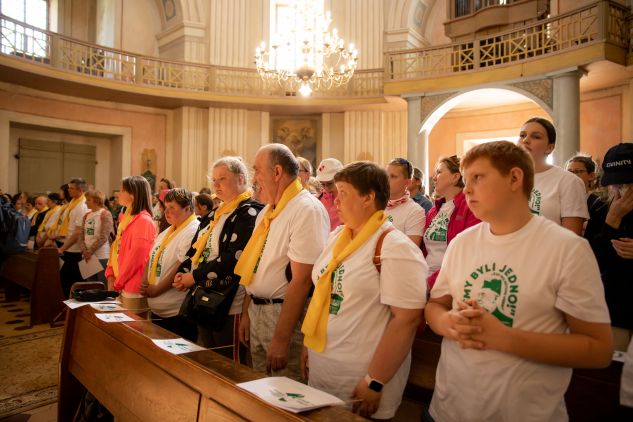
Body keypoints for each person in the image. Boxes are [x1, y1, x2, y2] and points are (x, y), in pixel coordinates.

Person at [425, 141, 612, 422]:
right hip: (448, 408)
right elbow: (435, 305)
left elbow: (598, 350)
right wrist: (447, 323)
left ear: (514, 178)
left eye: (478, 177)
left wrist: (503, 337)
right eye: (466, 179)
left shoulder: (566, 248)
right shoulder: (462, 243)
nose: (467, 189)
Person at [302, 161, 427, 419]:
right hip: (324, 368)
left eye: (343, 193)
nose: (335, 200)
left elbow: (407, 320)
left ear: (368, 197)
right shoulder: (338, 236)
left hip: (360, 377)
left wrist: (375, 380)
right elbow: (322, 293)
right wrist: (308, 346)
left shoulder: (394, 247)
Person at [236, 144, 329, 380]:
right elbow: (255, 266)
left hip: (282, 314)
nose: (254, 178)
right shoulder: (268, 211)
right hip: (258, 310)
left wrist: (281, 337)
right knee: (260, 386)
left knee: (282, 390)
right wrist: (247, 312)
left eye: (257, 170)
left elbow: (302, 280)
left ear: (277, 172)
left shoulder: (306, 209)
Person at [174, 157, 263, 356]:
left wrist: (194, 277)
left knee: (228, 362)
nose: (215, 184)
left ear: (240, 179)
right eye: (214, 179)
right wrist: (185, 271)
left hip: (228, 301)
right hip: (204, 297)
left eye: (222, 179)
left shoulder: (249, 212)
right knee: (210, 359)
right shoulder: (217, 213)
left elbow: (233, 258)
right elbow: (196, 249)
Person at [584, 143, 633, 351]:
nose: (622, 190)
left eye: (628, 182)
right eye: (616, 184)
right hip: (615, 306)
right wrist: (612, 220)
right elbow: (590, 261)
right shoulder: (600, 207)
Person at [142, 188, 199, 342]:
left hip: (176, 312)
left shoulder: (193, 229)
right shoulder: (168, 231)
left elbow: (180, 267)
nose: (166, 212)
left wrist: (156, 290)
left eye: (172, 208)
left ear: (187, 208)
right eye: (165, 207)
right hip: (158, 309)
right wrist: (144, 282)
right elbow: (151, 256)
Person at [518, 117, 588, 235]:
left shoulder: (568, 181)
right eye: (522, 135)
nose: (525, 140)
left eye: (536, 137)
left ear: (549, 147)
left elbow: (571, 238)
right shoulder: (506, 178)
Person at [423, 155, 480, 289]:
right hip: (425, 276)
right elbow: (425, 250)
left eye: (439, 172)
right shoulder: (433, 211)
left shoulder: (470, 207)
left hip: (451, 280)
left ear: (455, 177)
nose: (434, 177)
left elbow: (469, 253)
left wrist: (432, 282)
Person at [105, 176, 156, 313]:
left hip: (132, 286)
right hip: (120, 282)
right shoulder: (127, 218)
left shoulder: (143, 221)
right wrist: (110, 275)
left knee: (133, 330)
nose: (118, 194)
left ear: (133, 195)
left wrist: (118, 282)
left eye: (122, 190)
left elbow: (136, 258)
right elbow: (115, 249)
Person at [58, 178, 89, 297]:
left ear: (80, 190)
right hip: (69, 247)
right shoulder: (73, 202)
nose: (68, 190)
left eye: (71, 188)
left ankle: (73, 311)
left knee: (73, 283)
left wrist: (62, 248)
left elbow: (77, 232)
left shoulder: (82, 205)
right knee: (67, 281)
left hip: (76, 249)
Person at [385, 158, 425, 247]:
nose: (387, 180)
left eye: (393, 176)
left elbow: (410, 249)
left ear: (407, 182)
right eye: (386, 176)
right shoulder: (376, 205)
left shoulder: (415, 211)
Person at [567, 154, 608, 237]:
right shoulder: (560, 199)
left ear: (591, 176)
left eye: (578, 171)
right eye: (569, 172)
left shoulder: (599, 204)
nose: (572, 175)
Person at [77, 190, 113, 284]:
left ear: (97, 201)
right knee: (91, 286)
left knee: (102, 285)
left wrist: (90, 251)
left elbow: (104, 236)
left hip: (101, 255)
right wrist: (84, 250)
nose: (85, 202)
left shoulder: (105, 214)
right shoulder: (86, 215)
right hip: (87, 256)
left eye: (88, 200)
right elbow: (81, 235)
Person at [316, 158, 343, 231]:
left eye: (330, 184)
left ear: (341, 178)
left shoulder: (350, 201)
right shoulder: (318, 199)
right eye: (322, 184)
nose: (326, 189)